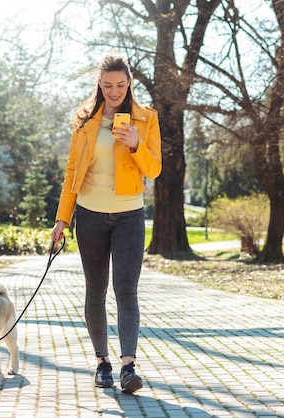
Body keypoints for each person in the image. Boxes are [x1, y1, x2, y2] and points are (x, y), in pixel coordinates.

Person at [50, 53, 162, 393]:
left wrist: (136, 145)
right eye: (108, 85)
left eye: (121, 85)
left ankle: (129, 366)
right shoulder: (84, 120)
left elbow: (153, 168)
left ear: (129, 83)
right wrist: (62, 219)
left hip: (129, 215)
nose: (114, 91)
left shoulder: (147, 119)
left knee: (126, 291)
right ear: (99, 84)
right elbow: (72, 172)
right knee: (95, 291)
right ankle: (102, 363)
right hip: (90, 215)